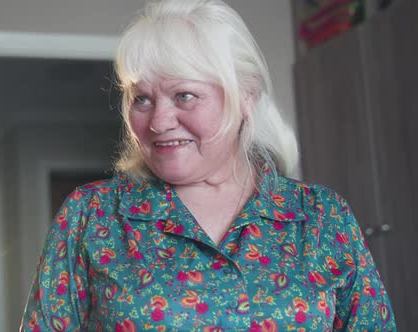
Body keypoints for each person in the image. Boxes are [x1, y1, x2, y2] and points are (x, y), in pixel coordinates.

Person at [19, 0, 396, 330]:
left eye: (184, 96)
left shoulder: (322, 217)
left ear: (244, 97)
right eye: (142, 99)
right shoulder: (92, 216)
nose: (158, 121)